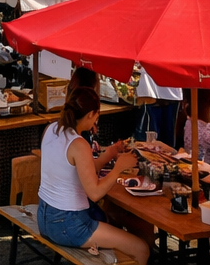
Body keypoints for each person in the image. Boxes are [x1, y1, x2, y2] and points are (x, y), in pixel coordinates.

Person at [35, 88, 146, 260]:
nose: (96, 119)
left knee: (114, 223)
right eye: (96, 115)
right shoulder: (78, 144)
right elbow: (94, 193)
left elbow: (83, 167)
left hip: (45, 217)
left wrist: (109, 153)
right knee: (141, 249)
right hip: (69, 225)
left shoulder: (51, 129)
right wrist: (118, 168)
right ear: (90, 114)